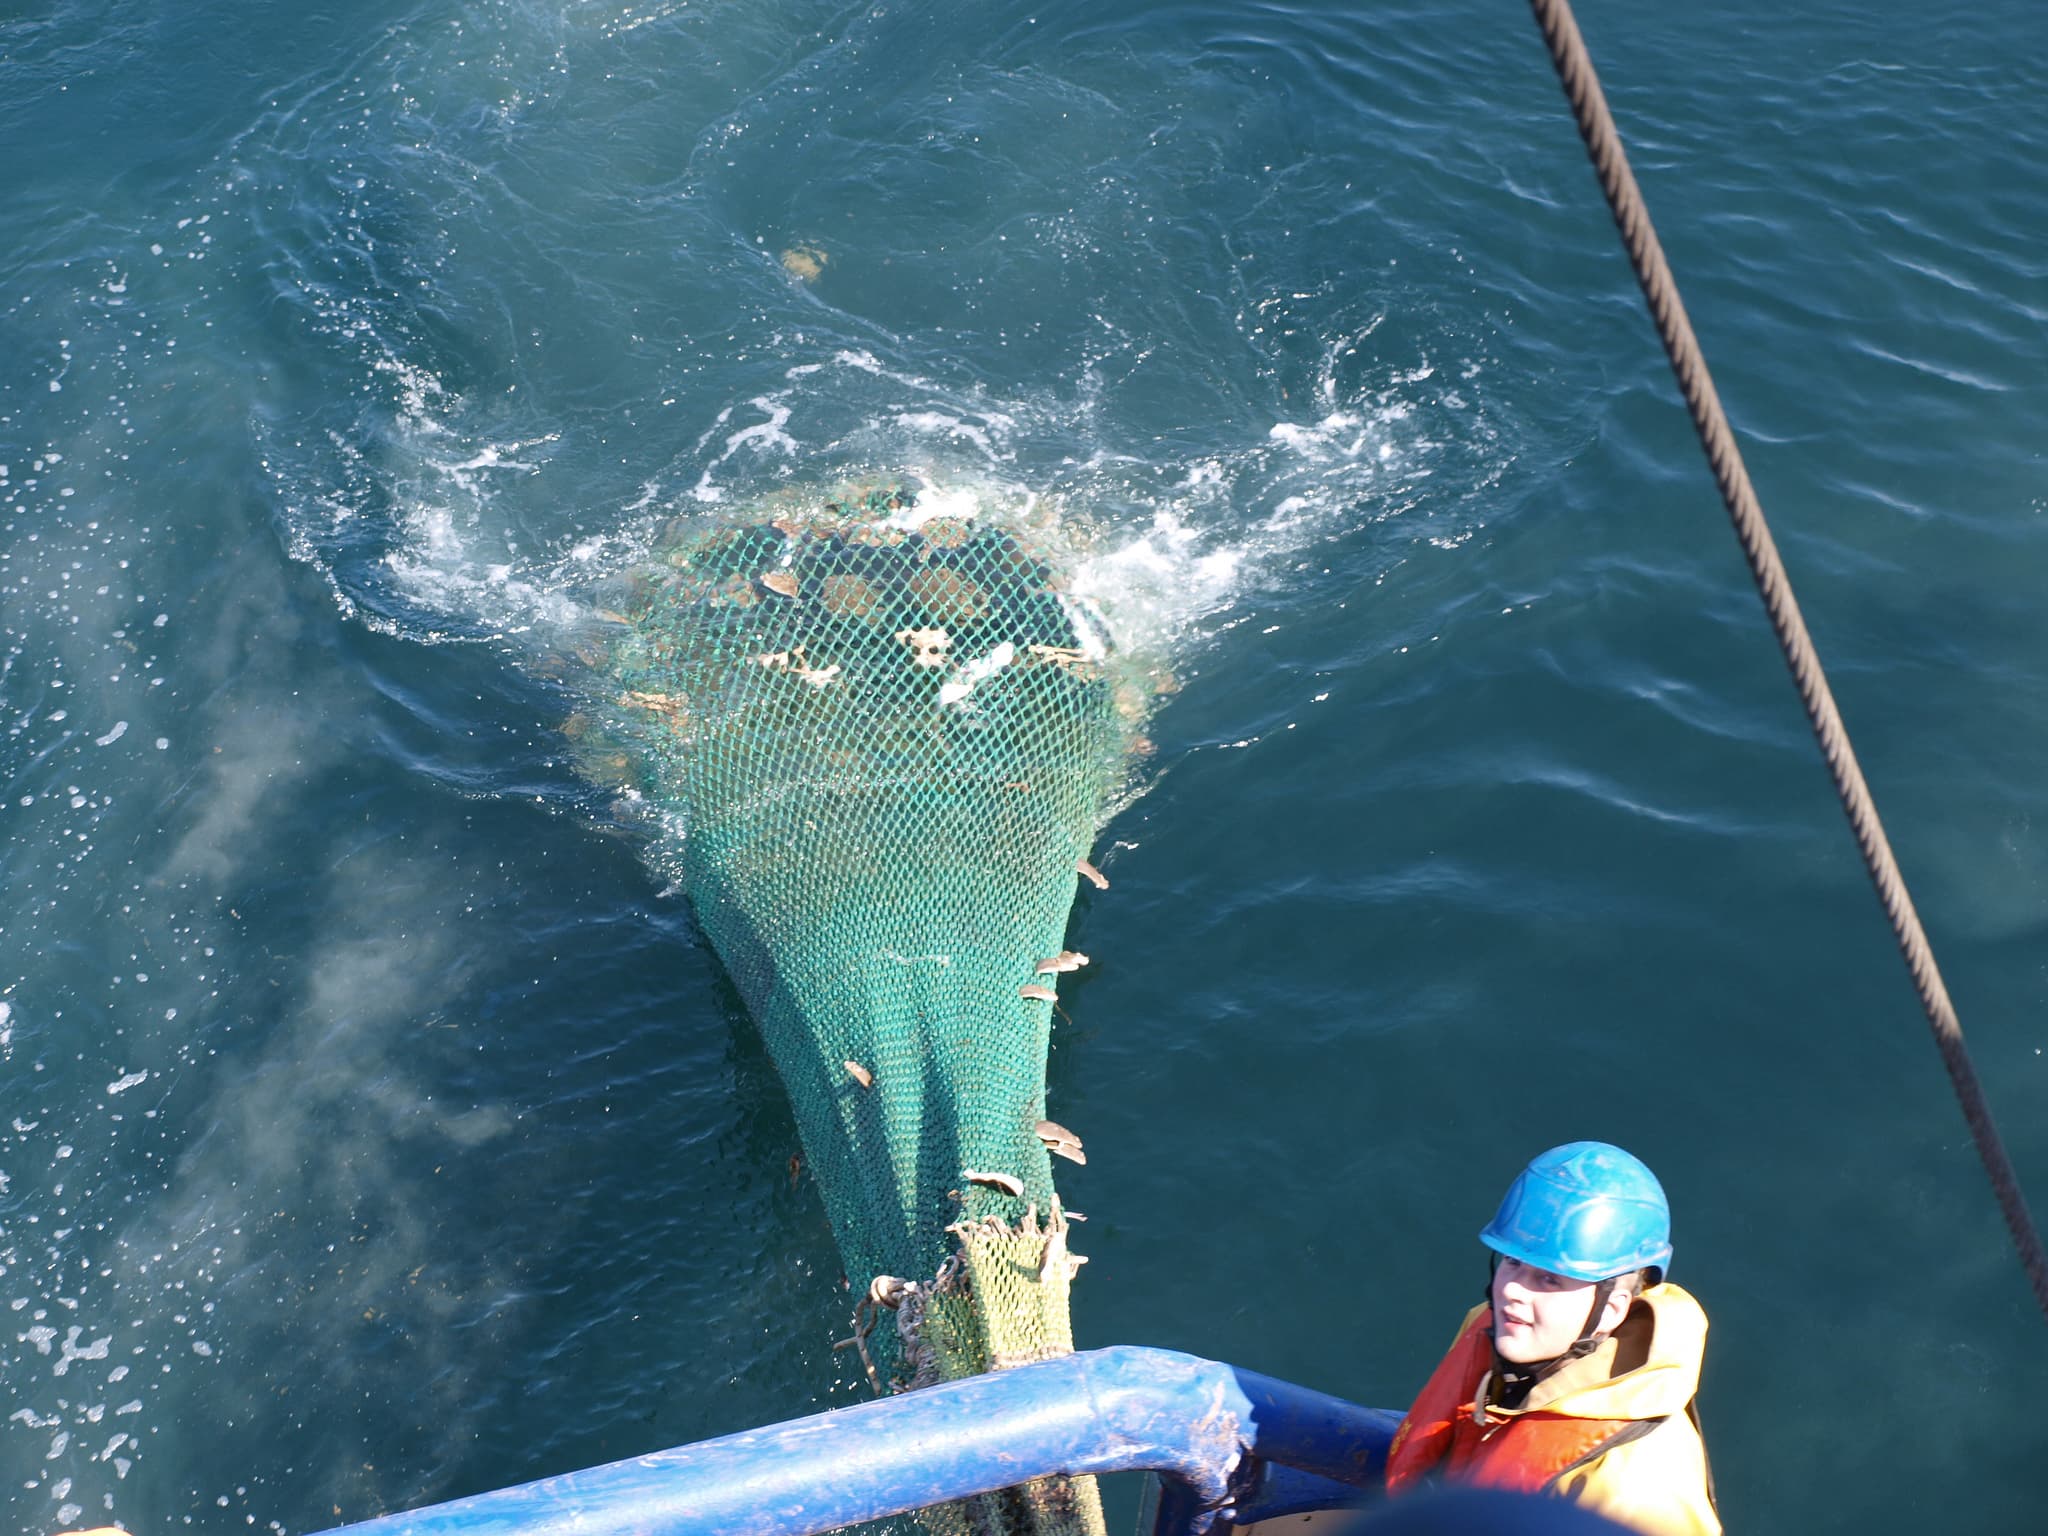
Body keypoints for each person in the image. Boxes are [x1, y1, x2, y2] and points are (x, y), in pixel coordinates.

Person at [1383, 1142, 1720, 1536]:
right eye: (1512, 1262)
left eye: (1548, 1279)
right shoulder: (1495, 1329)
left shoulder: (1636, 1485)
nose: (1512, 1291)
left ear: (1610, 1309)